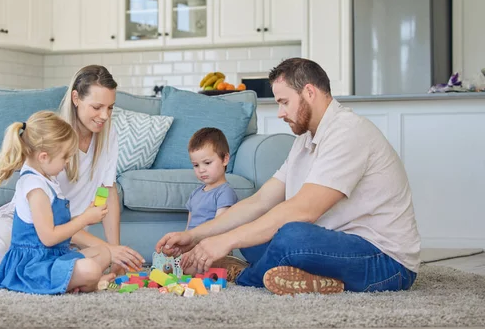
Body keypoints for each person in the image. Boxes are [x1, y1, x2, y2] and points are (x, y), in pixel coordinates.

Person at [157, 57, 421, 295]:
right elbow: (260, 201)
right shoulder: (306, 139)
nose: (280, 112)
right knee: (254, 231)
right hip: (335, 244)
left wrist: (223, 242)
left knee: (291, 236)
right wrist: (196, 236)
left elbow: (304, 210)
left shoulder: (348, 132)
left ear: (309, 92)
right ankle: (313, 279)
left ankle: (247, 277)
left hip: (384, 261)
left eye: (284, 102)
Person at [0, 65, 144, 279]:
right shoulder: (55, 142)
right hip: (28, 225)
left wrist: (115, 252)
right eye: (97, 107)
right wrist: (107, 248)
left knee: (80, 264)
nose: (105, 116)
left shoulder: (108, 136)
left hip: (63, 233)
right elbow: (52, 222)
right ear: (76, 99)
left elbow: (106, 190)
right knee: (1, 260)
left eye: (110, 107)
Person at [0, 111, 113, 294]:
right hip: (34, 265)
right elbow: (49, 237)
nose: (67, 162)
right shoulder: (36, 188)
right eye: (65, 157)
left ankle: (75, 282)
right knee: (91, 270)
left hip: (53, 256)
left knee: (103, 253)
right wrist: (84, 220)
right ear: (43, 157)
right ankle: (89, 282)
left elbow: (57, 223)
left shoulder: (47, 179)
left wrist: (86, 215)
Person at [179, 128, 238, 275]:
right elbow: (188, 230)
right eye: (196, 165)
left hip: (212, 248)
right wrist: (184, 249)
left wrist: (194, 252)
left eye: (207, 163)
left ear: (225, 159)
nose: (201, 170)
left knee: (186, 268)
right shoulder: (195, 194)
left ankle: (231, 268)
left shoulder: (225, 192)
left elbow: (220, 227)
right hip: (194, 247)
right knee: (165, 260)